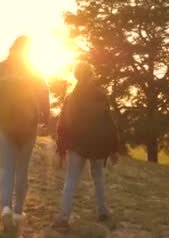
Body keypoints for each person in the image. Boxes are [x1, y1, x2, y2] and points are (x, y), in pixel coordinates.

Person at [0, 36, 50, 234]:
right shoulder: (33, 68)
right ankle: (18, 211)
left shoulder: (2, 67)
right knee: (22, 169)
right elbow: (44, 92)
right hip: (28, 125)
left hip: (5, 123)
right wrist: (45, 114)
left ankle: (5, 207)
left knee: (6, 168)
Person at [52, 62, 119, 232]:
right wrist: (114, 148)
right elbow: (109, 124)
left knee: (71, 181)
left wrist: (61, 148)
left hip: (77, 145)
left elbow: (63, 125)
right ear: (91, 75)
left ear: (76, 76)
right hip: (97, 146)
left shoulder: (70, 97)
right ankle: (102, 212)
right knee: (98, 178)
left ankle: (64, 218)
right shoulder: (101, 96)